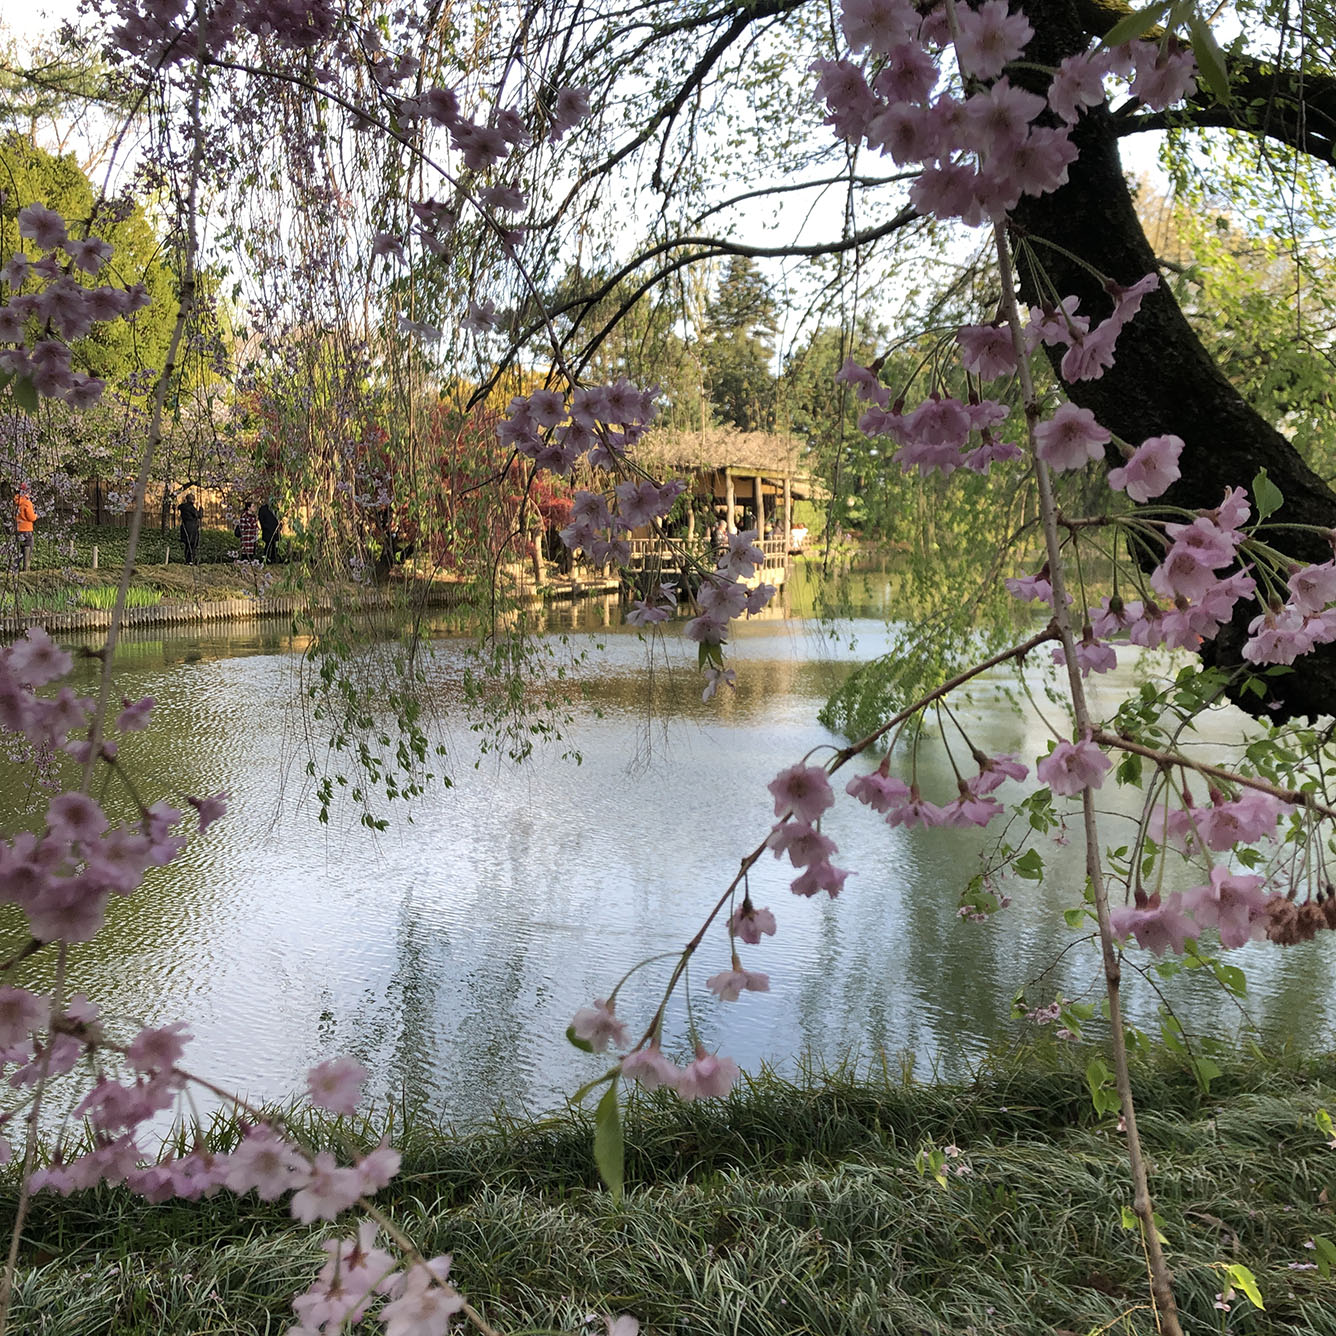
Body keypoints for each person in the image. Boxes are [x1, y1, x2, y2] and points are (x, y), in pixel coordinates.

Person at [14, 483, 36, 572]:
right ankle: (26, 570)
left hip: (18, 528)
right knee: (28, 549)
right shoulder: (27, 503)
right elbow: (31, 517)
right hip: (27, 529)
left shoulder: (16, 502)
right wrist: (36, 516)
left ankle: (14, 569)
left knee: (19, 550)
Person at [178, 492, 201, 565]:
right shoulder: (191, 507)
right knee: (193, 544)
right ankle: (191, 560)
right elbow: (198, 515)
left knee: (187, 545)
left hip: (185, 527)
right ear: (192, 500)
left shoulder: (182, 507)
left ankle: (187, 560)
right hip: (192, 528)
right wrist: (201, 510)